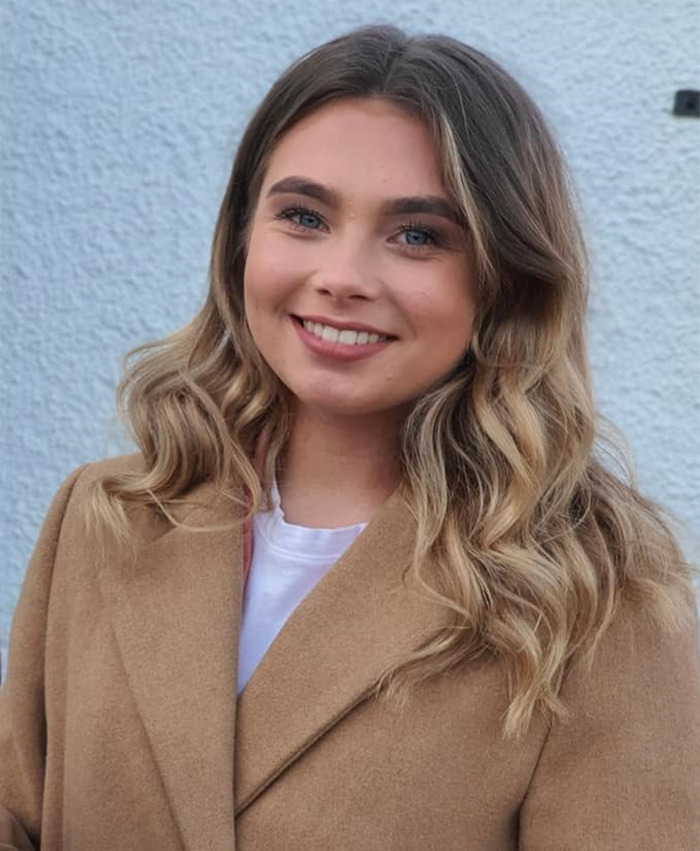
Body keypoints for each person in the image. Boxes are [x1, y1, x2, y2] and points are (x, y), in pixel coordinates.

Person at [1, 24, 699, 851]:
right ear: (239, 241)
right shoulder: (106, 516)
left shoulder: (595, 595)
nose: (340, 277)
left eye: (417, 235)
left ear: (505, 278)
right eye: (303, 215)